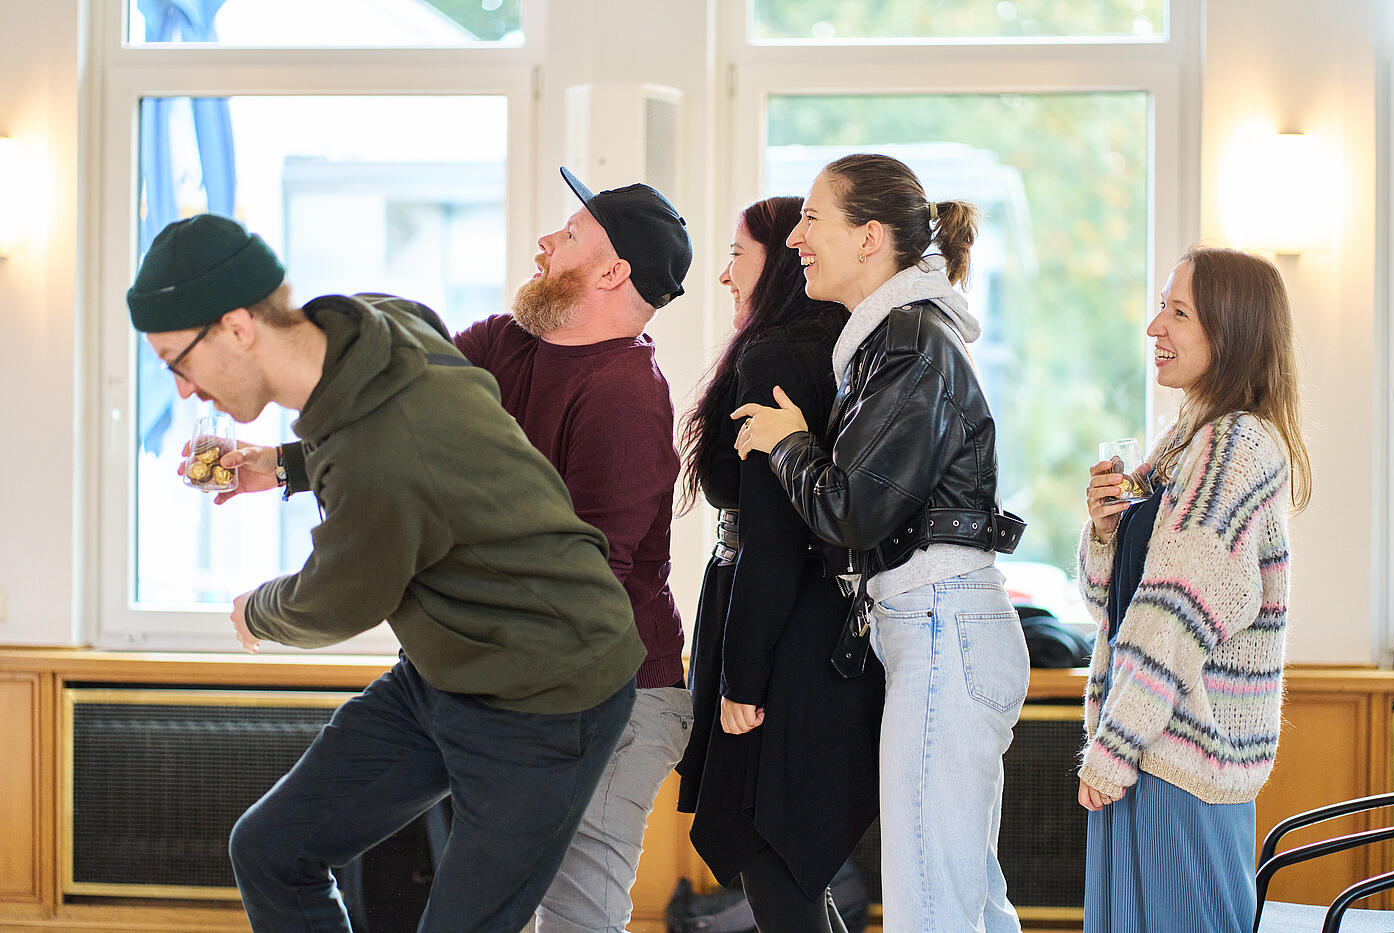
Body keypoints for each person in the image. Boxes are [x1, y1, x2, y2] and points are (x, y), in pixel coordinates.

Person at [127, 212, 644, 932]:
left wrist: (258, 610)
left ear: (237, 327)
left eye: (175, 362)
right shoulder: (379, 322)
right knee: (271, 849)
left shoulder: (379, 456)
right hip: (444, 672)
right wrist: (282, 465)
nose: (182, 390)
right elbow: (409, 436)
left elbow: (340, 597)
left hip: (549, 696)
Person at [733, 154, 1030, 933]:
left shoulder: (908, 341)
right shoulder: (895, 339)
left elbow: (853, 511)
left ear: (869, 238)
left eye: (811, 218)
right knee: (967, 901)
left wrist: (788, 442)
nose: (794, 237)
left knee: (933, 908)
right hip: (941, 626)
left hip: (941, 630)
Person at [1077, 246, 1312, 932]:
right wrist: (1105, 533)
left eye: (1178, 312)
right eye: (1162, 307)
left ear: (1230, 332)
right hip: (1148, 753)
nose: (1155, 326)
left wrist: (1111, 751)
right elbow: (1115, 606)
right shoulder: (1187, 438)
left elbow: (1173, 618)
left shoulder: (1234, 447)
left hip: (1176, 768)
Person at [674, 196, 883, 932]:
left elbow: (772, 539)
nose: (725, 274)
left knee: (773, 862)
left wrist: (742, 679)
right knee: (789, 869)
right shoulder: (830, 350)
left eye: (738, 254)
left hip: (781, 641)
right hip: (813, 631)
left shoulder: (774, 358)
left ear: (783, 263)